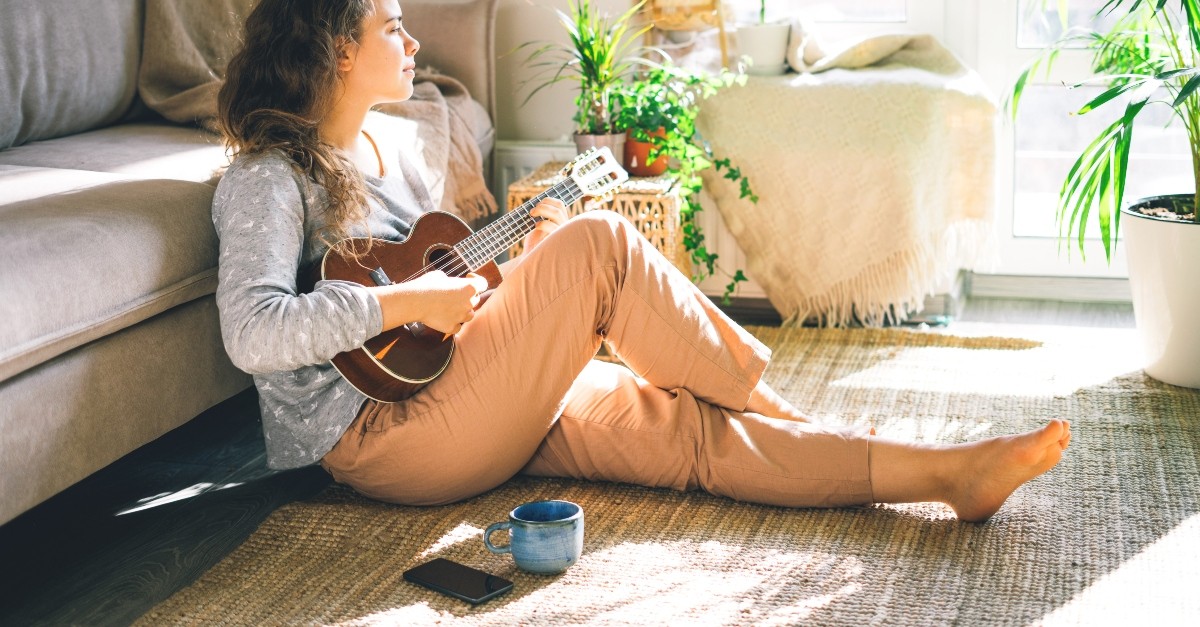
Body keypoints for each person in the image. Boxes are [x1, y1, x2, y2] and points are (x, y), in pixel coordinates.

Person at [212, 0, 1070, 523]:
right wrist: (416, 304)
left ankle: (945, 476)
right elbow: (253, 333)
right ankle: (795, 417)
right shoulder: (265, 178)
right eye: (392, 28)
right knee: (603, 245)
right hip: (381, 441)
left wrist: (516, 261)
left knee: (686, 432)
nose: (414, 44)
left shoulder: (398, 143)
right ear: (337, 52)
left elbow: (448, 306)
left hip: (459, 389)